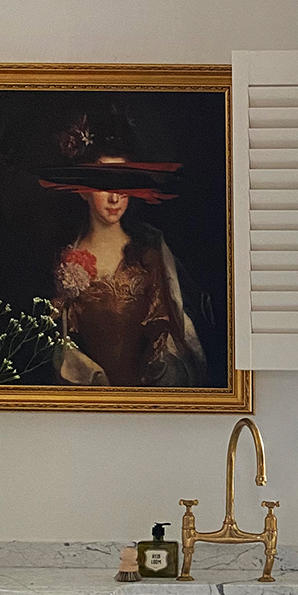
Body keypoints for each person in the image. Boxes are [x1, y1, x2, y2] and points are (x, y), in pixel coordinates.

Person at [37, 109, 207, 388]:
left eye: (122, 185)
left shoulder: (148, 256)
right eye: (104, 185)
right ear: (82, 190)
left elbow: (169, 340)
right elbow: (61, 350)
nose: (115, 197)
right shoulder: (65, 260)